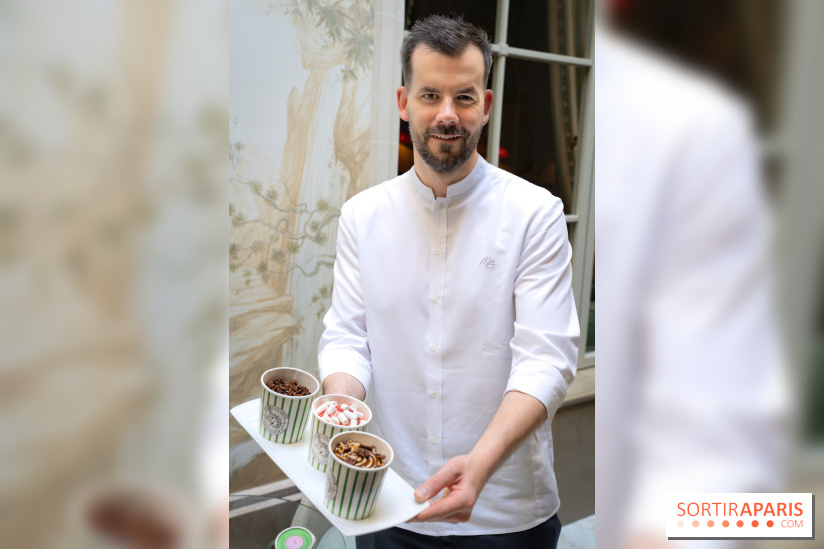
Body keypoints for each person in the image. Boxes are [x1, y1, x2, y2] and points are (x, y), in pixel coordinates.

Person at [318, 15, 579, 548]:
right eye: (430, 95)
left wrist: (479, 465)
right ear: (403, 102)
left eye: (464, 98)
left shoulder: (535, 213)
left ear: (486, 105)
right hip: (388, 501)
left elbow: (547, 359)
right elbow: (347, 337)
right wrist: (341, 407)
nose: (447, 115)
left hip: (505, 514)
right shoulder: (362, 216)